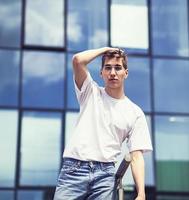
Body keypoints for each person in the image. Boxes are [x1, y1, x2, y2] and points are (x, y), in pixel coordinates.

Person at [53, 47, 153, 200]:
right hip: (73, 170)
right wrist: (106, 49)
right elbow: (78, 60)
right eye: (108, 68)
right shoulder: (90, 92)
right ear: (101, 73)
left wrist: (141, 193)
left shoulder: (135, 112)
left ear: (126, 73)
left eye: (118, 68)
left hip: (105, 175)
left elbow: (136, 156)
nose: (113, 72)